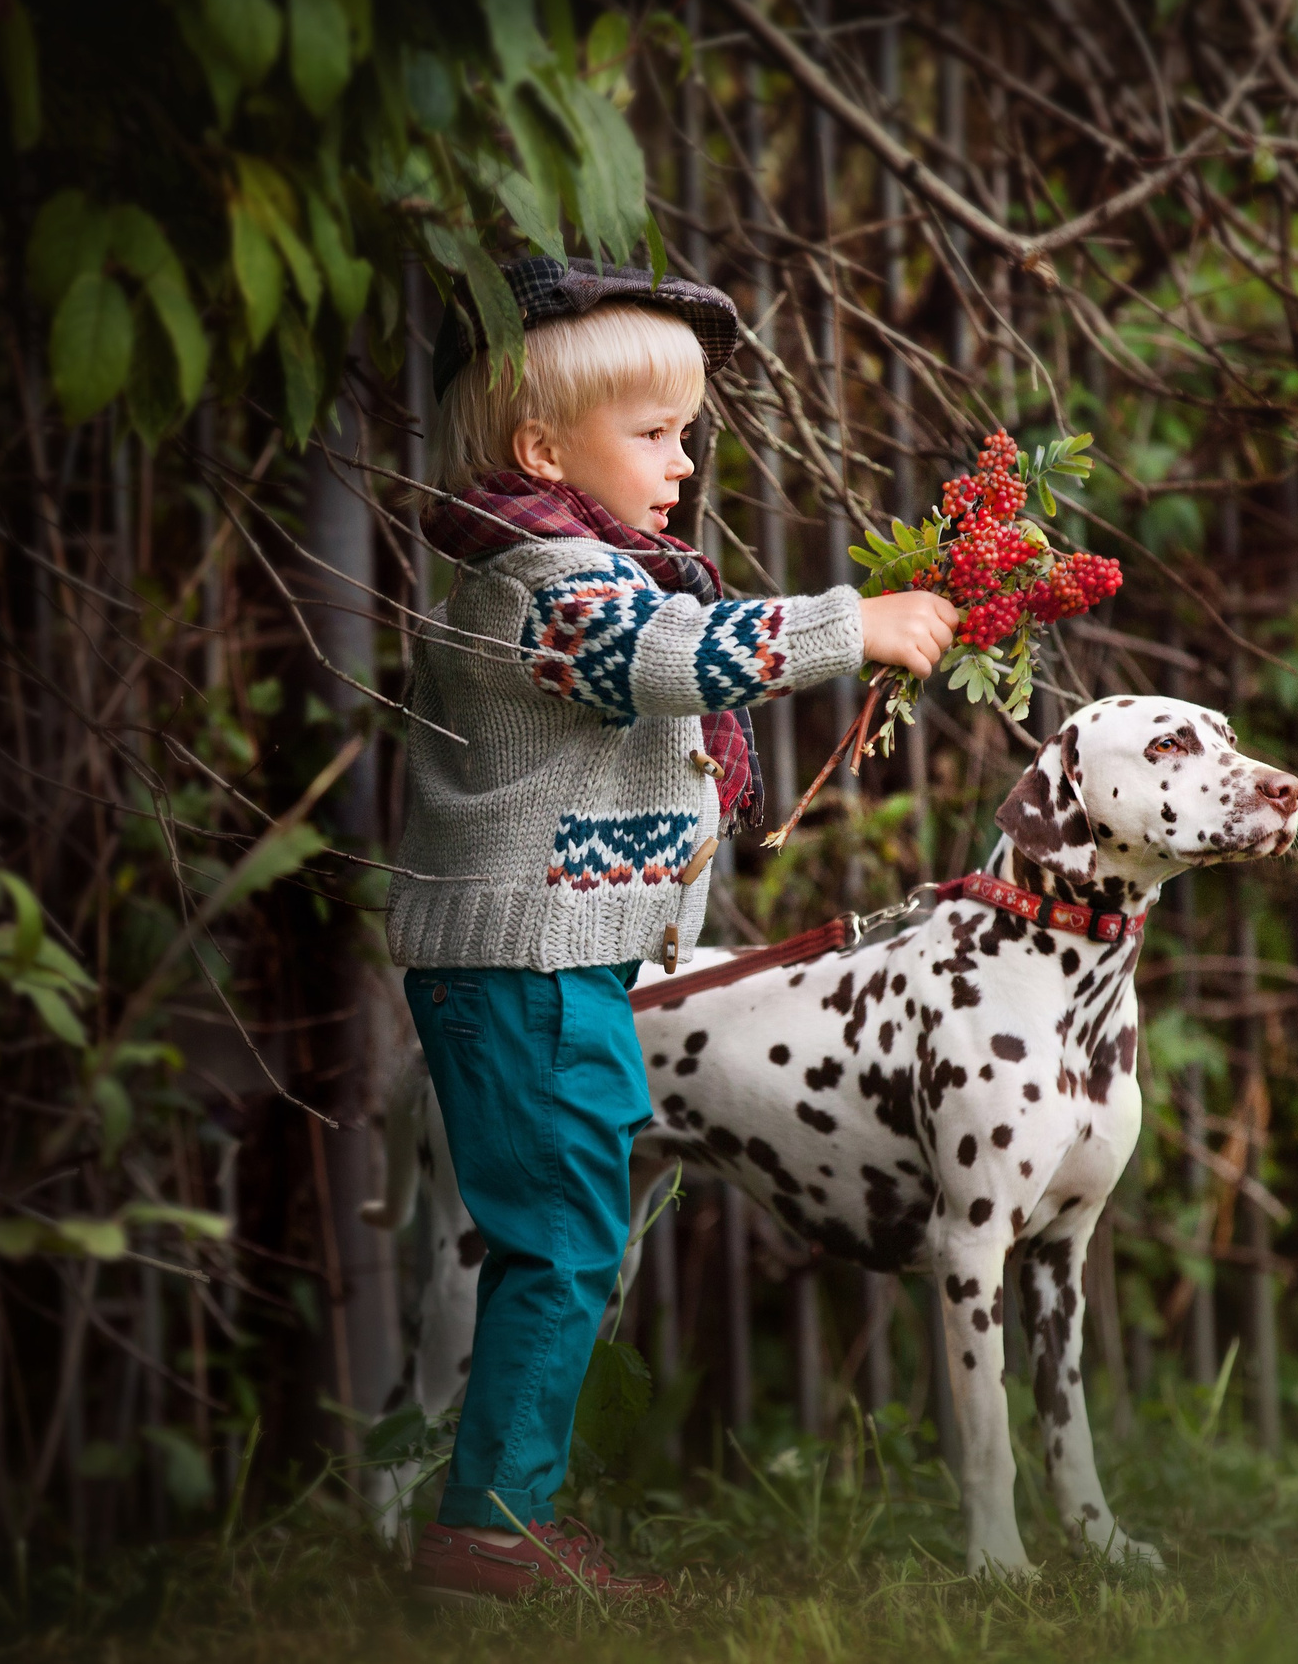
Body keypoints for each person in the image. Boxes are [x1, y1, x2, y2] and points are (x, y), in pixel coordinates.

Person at [388, 256, 956, 1603]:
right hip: (522, 969)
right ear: (543, 447)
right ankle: (490, 1535)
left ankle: (493, 1518)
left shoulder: (592, 570)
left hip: (555, 965)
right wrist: (850, 625)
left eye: (688, 432)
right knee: (568, 1241)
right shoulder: (550, 585)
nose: (686, 461)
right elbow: (665, 664)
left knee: (571, 1235)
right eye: (653, 434)